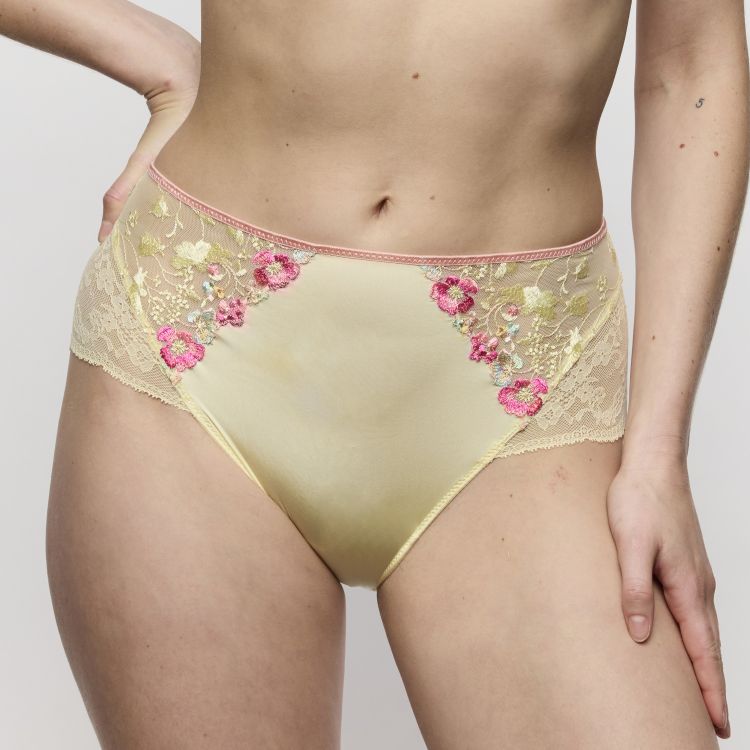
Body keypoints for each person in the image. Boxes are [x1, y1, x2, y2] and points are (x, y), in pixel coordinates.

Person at [2, 0, 747, 747]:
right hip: (197, 343)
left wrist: (658, 453)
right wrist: (155, 52)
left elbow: (690, 67)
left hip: (525, 384)